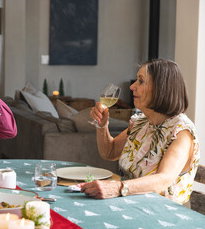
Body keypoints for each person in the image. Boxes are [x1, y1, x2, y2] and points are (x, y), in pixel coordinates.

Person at [81, 59, 200, 205]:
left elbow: (163, 179)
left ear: (161, 88)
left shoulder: (182, 131)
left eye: (141, 81)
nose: (132, 86)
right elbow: (110, 152)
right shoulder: (141, 122)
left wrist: (117, 188)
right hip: (131, 204)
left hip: (163, 215)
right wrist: (102, 126)